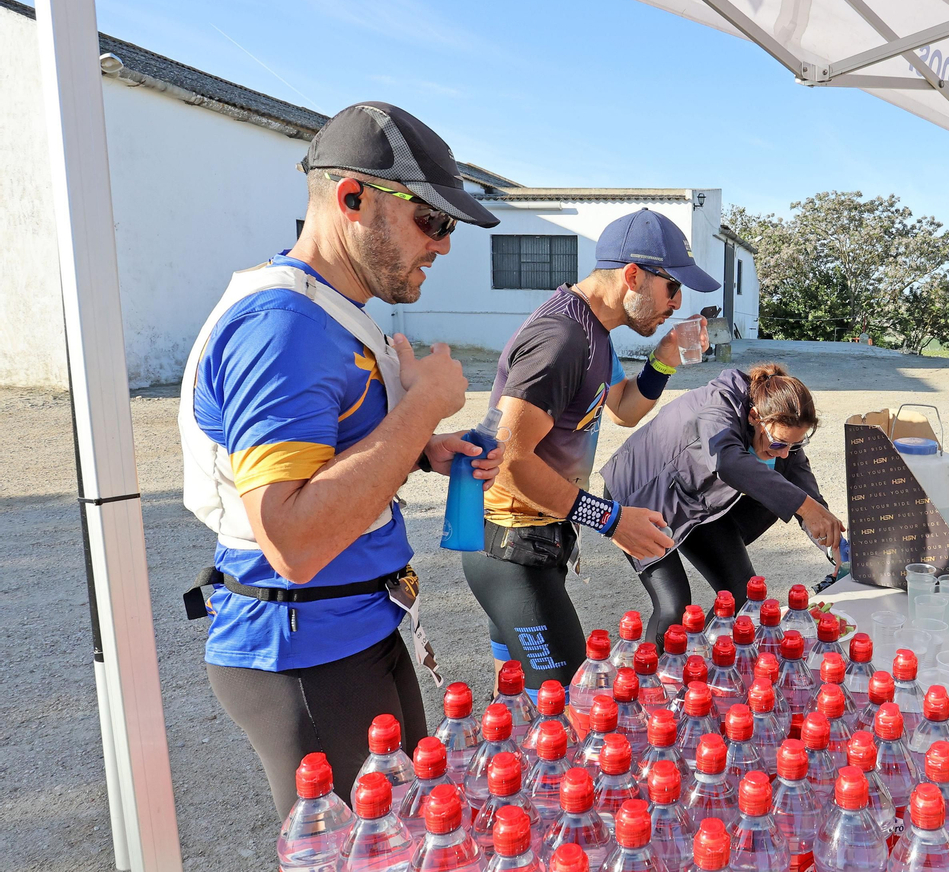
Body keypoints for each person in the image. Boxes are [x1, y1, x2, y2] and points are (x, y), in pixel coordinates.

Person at [178, 102, 504, 817]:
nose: (444, 245)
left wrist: (423, 450)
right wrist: (424, 406)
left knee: (415, 838)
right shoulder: (283, 328)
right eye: (433, 220)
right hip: (302, 645)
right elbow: (291, 538)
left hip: (353, 625)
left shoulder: (329, 310)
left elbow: (324, 454)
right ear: (353, 198)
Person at [464, 208, 717, 685]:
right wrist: (611, 519)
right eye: (672, 288)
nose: (678, 302)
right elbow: (510, 460)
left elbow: (621, 409)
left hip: (534, 541)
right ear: (634, 276)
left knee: (519, 702)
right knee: (569, 707)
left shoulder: (594, 330)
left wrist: (663, 359)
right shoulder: (561, 337)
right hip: (511, 548)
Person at [599, 363, 842, 643]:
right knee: (673, 605)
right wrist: (805, 507)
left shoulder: (778, 424)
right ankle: (655, 681)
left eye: (795, 445)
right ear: (754, 416)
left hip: (695, 498)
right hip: (642, 495)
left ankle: (706, 663)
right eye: (778, 444)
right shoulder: (719, 404)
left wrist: (823, 529)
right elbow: (726, 462)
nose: (785, 453)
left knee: (743, 597)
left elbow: (797, 473)